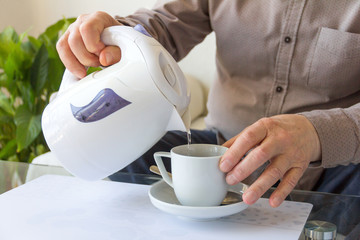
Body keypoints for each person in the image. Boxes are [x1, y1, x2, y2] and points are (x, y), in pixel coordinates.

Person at [56, 0, 360, 208]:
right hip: (220, 150)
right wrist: (117, 31)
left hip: (331, 171)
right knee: (125, 142)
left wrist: (316, 133)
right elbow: (163, 25)